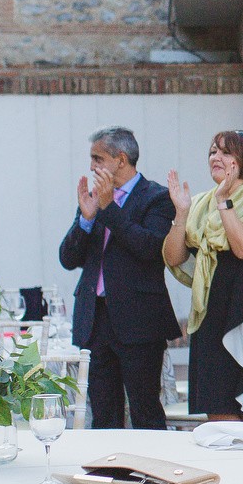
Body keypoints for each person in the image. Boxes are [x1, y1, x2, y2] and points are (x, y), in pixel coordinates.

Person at [164, 129, 243, 420]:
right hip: (213, 308)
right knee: (217, 409)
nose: (216, 157)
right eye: (212, 151)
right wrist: (182, 212)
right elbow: (174, 257)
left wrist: (224, 201)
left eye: (225, 152)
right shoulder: (198, 202)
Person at [58, 126, 180, 429]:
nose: (91, 166)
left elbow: (150, 248)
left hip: (139, 323)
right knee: (103, 416)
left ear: (121, 159)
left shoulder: (157, 197)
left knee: (145, 412)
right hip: (95, 321)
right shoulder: (95, 198)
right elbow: (68, 259)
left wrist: (109, 207)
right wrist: (86, 221)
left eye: (97, 158)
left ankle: (152, 474)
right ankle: (106, 474)